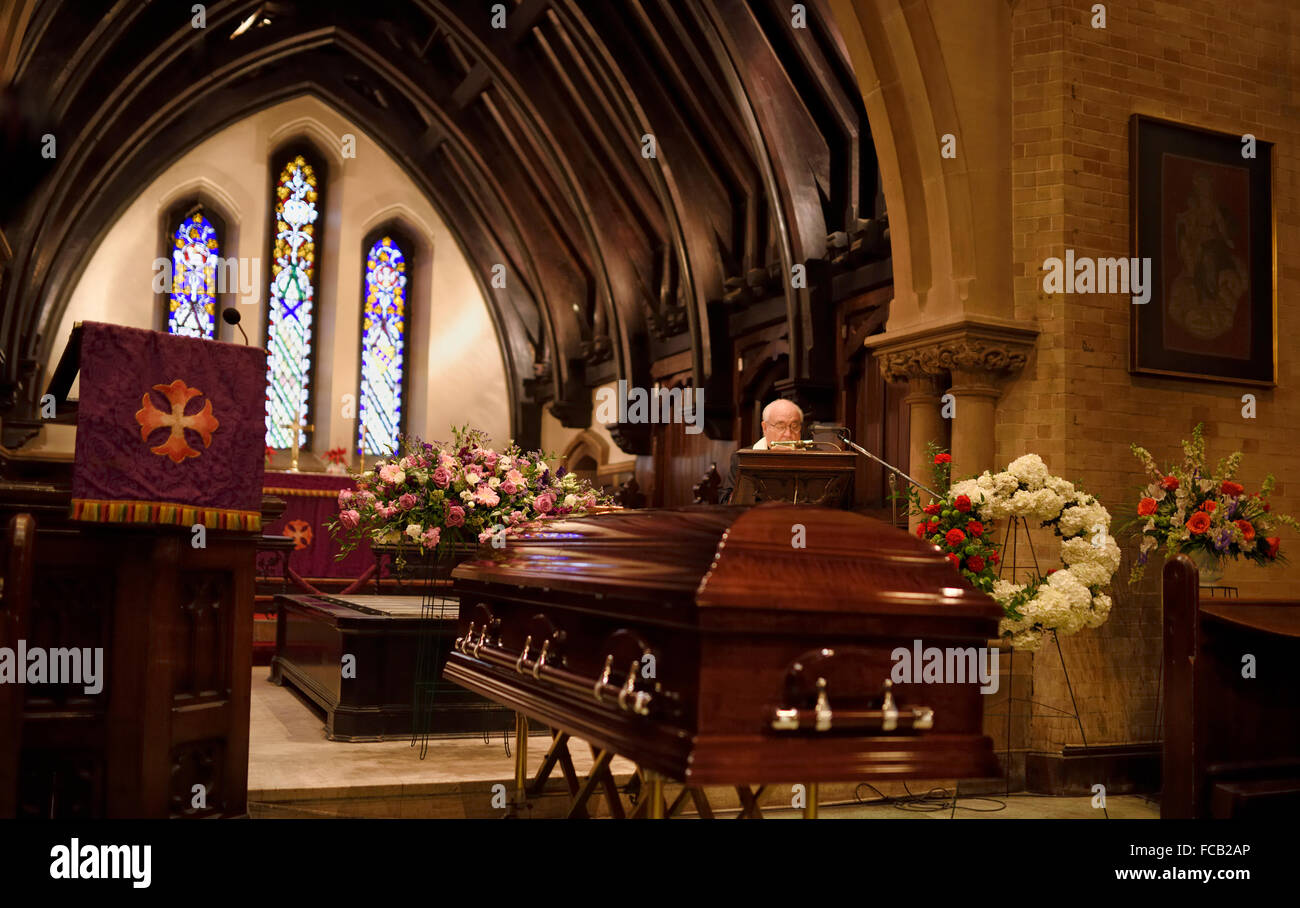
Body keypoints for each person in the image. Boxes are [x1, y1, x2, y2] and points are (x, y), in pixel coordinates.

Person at [720, 399, 804, 502]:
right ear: (765, 428)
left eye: (794, 426)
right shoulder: (742, 458)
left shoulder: (817, 457)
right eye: (780, 426)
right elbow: (725, 501)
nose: (788, 434)